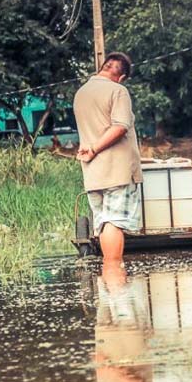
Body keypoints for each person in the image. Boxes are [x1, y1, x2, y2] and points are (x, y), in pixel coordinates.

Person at [73, 52, 143, 262]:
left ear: (103, 67)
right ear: (121, 77)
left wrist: (91, 152)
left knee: (103, 221)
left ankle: (108, 283)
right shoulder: (118, 91)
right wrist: (95, 148)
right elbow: (120, 127)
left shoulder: (81, 93)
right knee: (115, 222)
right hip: (117, 170)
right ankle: (113, 272)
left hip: (93, 171)